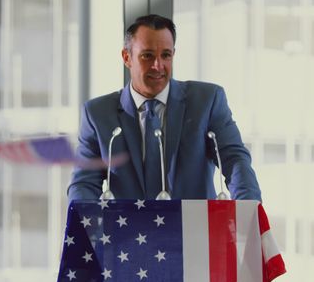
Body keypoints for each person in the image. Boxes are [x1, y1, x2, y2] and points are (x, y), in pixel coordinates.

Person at [68, 14, 261, 201]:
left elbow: (235, 160)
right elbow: (84, 184)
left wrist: (249, 210)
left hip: (194, 230)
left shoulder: (207, 101)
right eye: (147, 56)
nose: (157, 65)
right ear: (127, 57)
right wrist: (86, 225)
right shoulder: (97, 114)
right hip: (128, 231)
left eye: (166, 55)